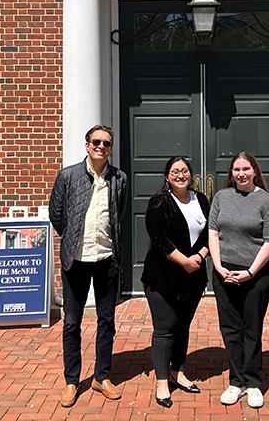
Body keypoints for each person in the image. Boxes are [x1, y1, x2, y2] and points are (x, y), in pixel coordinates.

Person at [49, 124, 128, 408]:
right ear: (87, 144)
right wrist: (71, 237)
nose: (101, 147)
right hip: (76, 260)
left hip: (106, 258)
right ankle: (72, 381)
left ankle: (101, 376)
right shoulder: (68, 175)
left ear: (111, 148)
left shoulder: (119, 178)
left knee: (107, 321)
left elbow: (120, 214)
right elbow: (56, 214)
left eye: (106, 143)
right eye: (96, 142)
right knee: (72, 322)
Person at [208, 151, 269, 409]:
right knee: (230, 330)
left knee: (252, 330)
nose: (241, 174)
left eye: (246, 169)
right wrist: (218, 266)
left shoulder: (267, 201)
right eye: (236, 170)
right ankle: (236, 382)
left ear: (255, 171)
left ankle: (253, 383)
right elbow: (213, 233)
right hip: (224, 274)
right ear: (231, 173)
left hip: (255, 276)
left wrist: (249, 272)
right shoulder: (221, 197)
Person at [141, 156, 210, 409]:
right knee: (165, 327)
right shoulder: (159, 202)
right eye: (175, 171)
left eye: (184, 171)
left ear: (190, 174)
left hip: (193, 277)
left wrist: (200, 256)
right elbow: (158, 239)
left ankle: (177, 371)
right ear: (167, 176)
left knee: (183, 326)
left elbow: (210, 233)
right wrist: (184, 261)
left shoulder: (200, 199)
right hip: (162, 277)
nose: (180, 175)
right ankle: (162, 381)